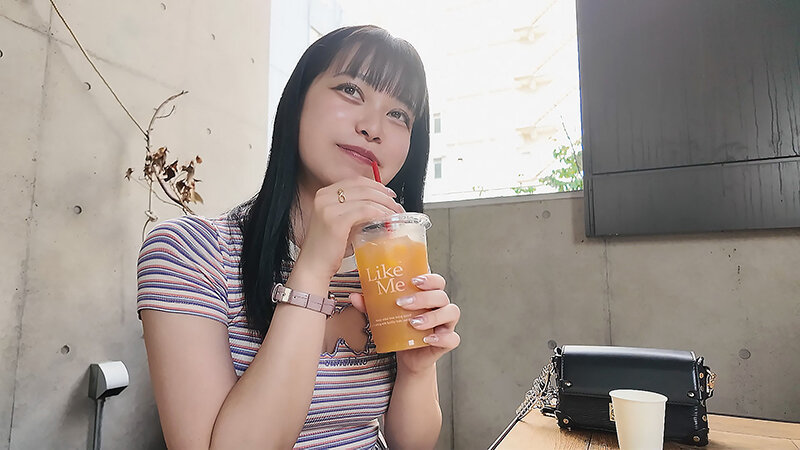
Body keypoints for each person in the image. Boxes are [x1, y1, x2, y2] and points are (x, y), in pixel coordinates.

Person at [137, 25, 461, 449]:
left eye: (399, 114)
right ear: (297, 103)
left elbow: (410, 444)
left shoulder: (385, 264)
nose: (373, 127)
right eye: (351, 90)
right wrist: (313, 268)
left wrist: (416, 370)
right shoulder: (189, 252)